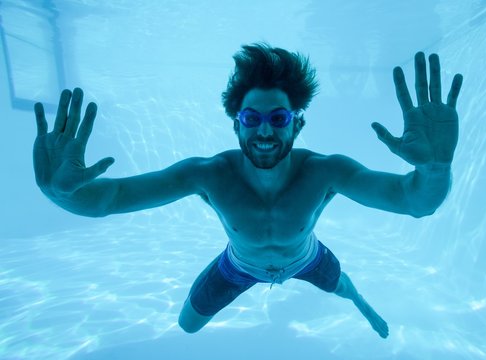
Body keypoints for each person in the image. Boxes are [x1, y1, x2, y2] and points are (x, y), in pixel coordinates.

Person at [33, 43, 463, 339]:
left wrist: (435, 168)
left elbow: (414, 201)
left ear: (297, 124)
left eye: (277, 119)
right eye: (250, 118)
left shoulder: (327, 172)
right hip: (239, 266)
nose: (263, 131)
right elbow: (108, 199)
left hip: (306, 257)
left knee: (344, 289)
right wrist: (59, 193)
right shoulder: (208, 175)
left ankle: (364, 307)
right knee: (186, 326)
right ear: (235, 123)